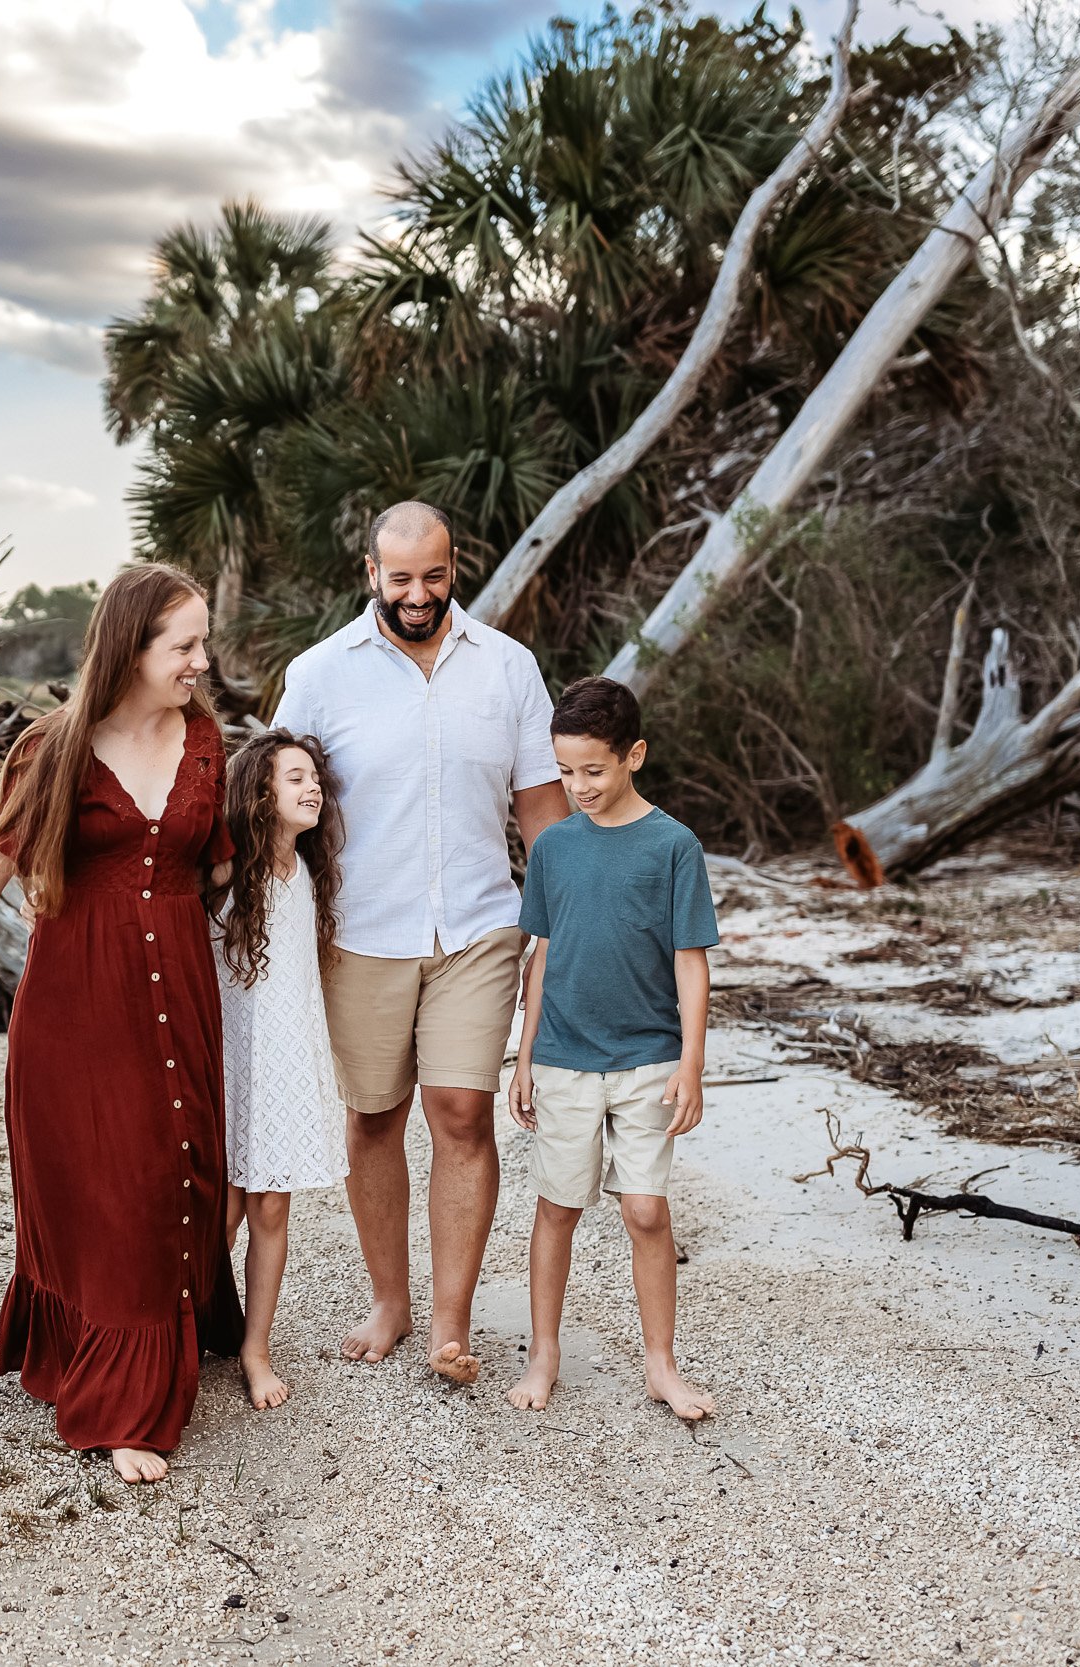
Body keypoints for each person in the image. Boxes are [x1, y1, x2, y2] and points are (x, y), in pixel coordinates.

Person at [0, 562, 241, 1484]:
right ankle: (118, 1397)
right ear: (131, 649)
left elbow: (223, 872)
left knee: (168, 1167)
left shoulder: (206, 740)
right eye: (183, 645)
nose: (200, 660)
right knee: (101, 1186)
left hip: (180, 994)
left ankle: (162, 1339)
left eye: (201, 642)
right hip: (74, 1005)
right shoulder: (51, 750)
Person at [273, 502, 566, 1381]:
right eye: (399, 579)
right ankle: (390, 1300)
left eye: (433, 577)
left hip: (480, 925)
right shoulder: (320, 674)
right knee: (373, 1117)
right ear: (371, 572)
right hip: (360, 933)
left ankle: (449, 1321)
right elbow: (275, 800)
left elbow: (544, 815)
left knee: (463, 1113)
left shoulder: (509, 669)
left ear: (453, 567)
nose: (417, 594)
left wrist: (567, 929)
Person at [505, 677, 719, 1422]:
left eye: (593, 770)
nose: (578, 786)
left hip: (650, 1060)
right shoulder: (556, 846)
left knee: (646, 1210)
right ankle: (544, 1352)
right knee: (557, 1206)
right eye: (565, 771)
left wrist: (692, 1061)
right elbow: (543, 952)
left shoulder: (673, 845)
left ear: (635, 755)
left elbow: (692, 958)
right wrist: (524, 1054)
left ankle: (662, 1364)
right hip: (563, 1055)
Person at [209, 728, 349, 1411]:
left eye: (313, 776)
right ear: (259, 791)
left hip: (287, 1064)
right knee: (221, 1213)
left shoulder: (309, 875)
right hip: (232, 1061)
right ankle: (195, 1331)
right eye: (294, 777)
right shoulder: (228, 874)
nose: (311, 786)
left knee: (272, 1205)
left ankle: (255, 1348)